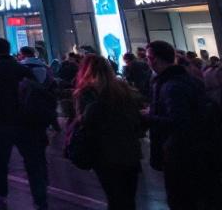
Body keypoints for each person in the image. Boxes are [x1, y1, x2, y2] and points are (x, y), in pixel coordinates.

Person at [0, 37, 48, 210]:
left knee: (0, 161)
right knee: (32, 162)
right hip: (26, 121)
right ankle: (40, 200)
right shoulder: (21, 68)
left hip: (0, 120)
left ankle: (1, 195)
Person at [145, 40, 216, 209]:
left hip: (180, 154)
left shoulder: (169, 86)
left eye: (148, 57)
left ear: (155, 59)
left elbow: (179, 122)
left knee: (181, 199)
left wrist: (149, 117)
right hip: (201, 151)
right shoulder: (189, 80)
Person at [69, 54, 142, 210]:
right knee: (128, 197)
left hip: (104, 152)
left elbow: (85, 122)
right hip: (129, 149)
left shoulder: (86, 92)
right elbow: (138, 119)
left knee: (114, 197)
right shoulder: (124, 90)